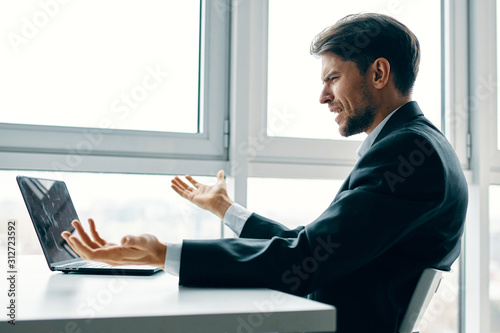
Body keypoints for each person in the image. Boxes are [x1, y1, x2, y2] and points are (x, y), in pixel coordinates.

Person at [61, 13, 468, 332]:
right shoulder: (416, 145)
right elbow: (314, 247)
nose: (323, 96)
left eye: (332, 78)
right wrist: (227, 210)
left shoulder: (408, 152)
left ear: (378, 73)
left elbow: (306, 259)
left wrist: (164, 254)